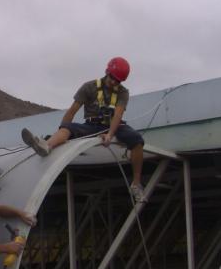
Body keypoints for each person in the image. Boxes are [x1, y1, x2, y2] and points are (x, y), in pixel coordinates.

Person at [21, 57, 146, 203]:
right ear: (107, 72)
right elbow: (72, 111)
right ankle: (47, 146)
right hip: (92, 125)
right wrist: (62, 130)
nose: (114, 82)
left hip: (115, 125)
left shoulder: (123, 92)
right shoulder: (89, 87)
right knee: (68, 128)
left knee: (137, 140)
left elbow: (118, 115)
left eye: (118, 81)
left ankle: (136, 184)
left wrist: (110, 134)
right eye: (112, 78)